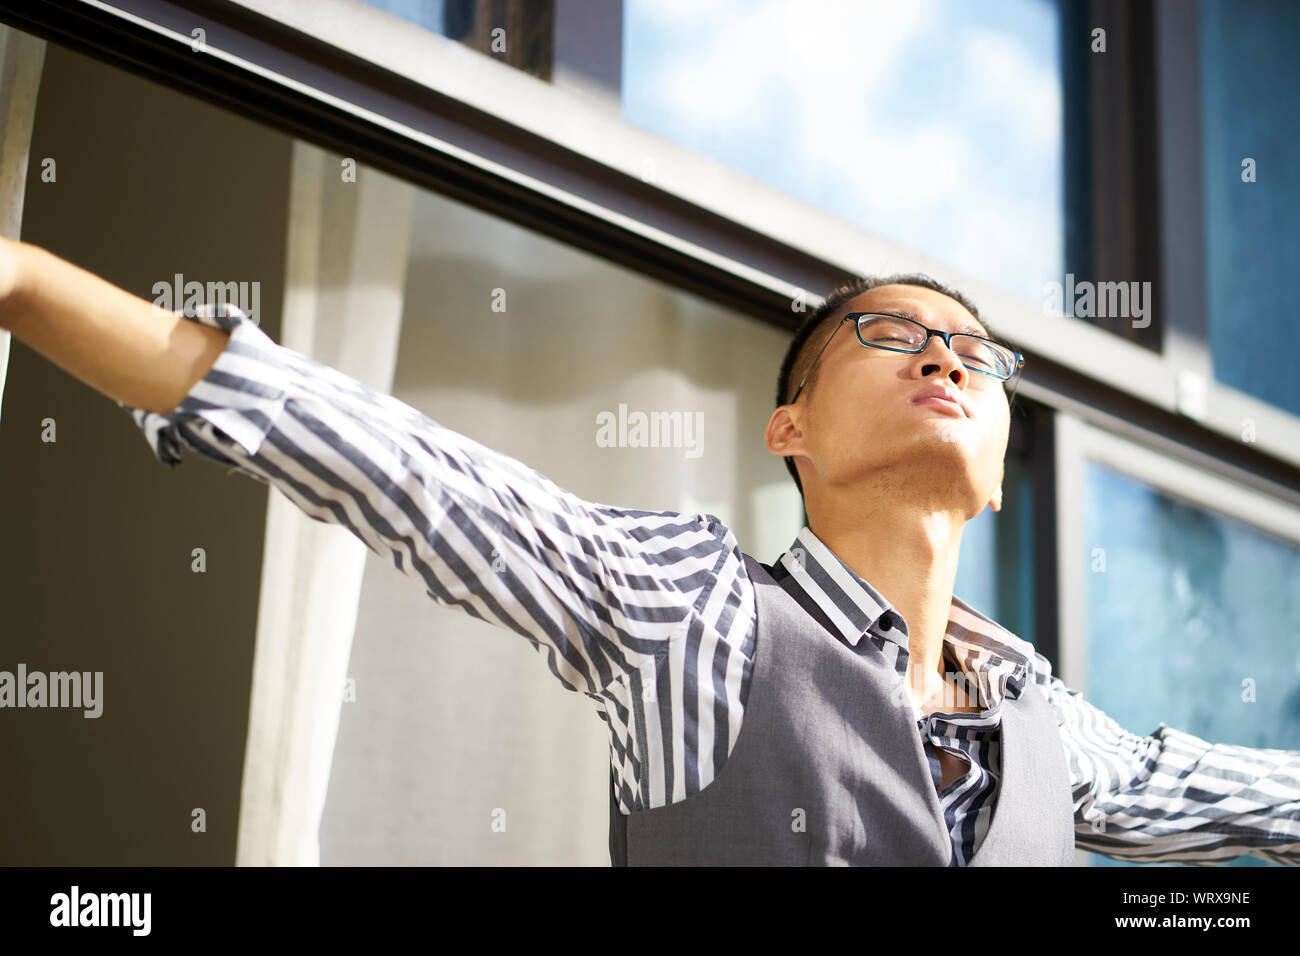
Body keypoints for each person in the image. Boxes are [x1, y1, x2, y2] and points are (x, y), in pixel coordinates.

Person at [2, 235, 1297, 866]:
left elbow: (1260, 798)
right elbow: (391, 466)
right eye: (890, 336)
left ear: (1004, 480)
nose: (946, 353)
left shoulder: (1050, 732)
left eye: (971, 349)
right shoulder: (698, 614)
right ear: (786, 426)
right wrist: (17, 283)